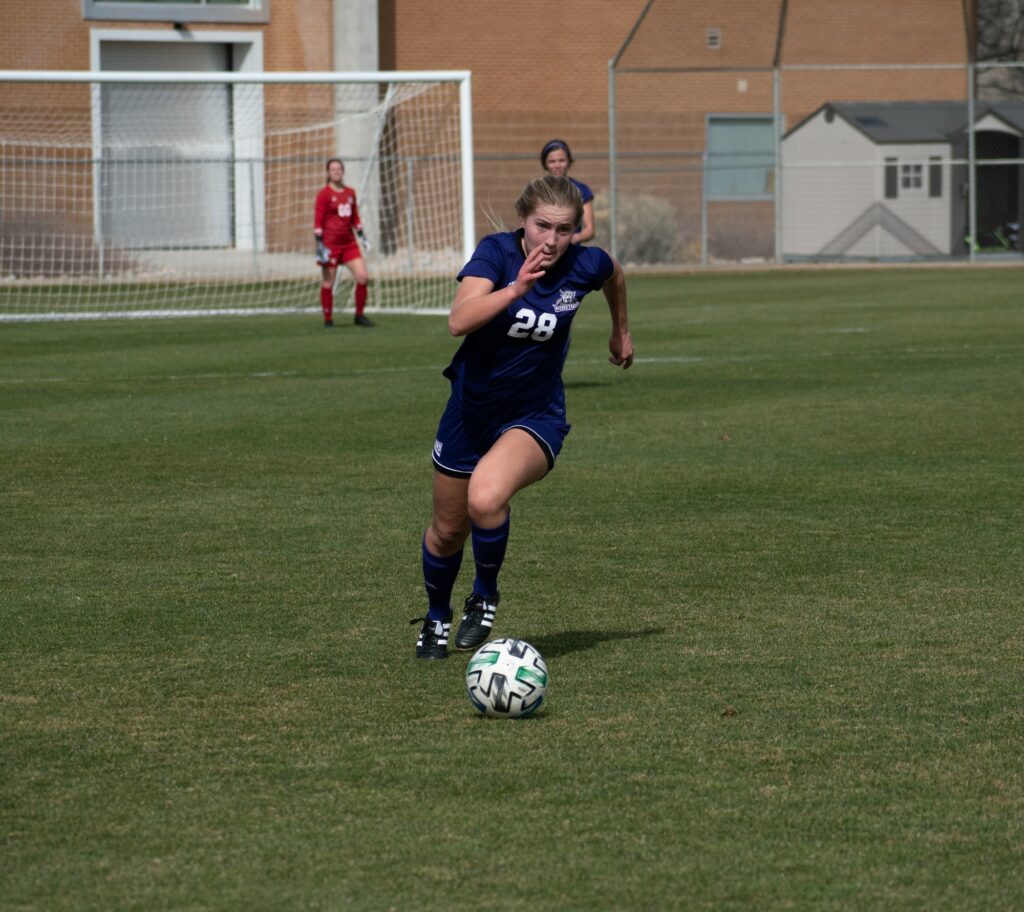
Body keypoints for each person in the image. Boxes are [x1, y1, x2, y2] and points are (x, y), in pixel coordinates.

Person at [411, 175, 634, 660]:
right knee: (448, 530)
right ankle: (436, 617)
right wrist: (515, 290)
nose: (552, 240)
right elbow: (459, 321)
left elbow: (614, 274)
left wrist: (620, 331)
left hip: (535, 416)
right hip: (469, 414)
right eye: (542, 227)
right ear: (523, 221)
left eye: (565, 229)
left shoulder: (584, 262)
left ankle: (485, 594)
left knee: (486, 498)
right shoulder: (496, 254)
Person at [313, 158, 374, 327]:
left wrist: (363, 237)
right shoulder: (324, 195)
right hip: (330, 244)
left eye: (339, 169)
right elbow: (318, 221)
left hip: (349, 244)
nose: (336, 172)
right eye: (333, 169)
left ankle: (359, 316)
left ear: (343, 171)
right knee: (328, 282)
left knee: (362, 277)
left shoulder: (350, 193)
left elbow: (355, 217)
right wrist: (320, 245)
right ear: (328, 173)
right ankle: (328, 319)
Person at [540, 139, 595, 244]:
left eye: (562, 160)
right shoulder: (537, 190)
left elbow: (590, 230)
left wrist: (569, 240)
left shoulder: (581, 190)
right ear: (545, 164)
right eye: (552, 161)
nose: (557, 165)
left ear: (569, 162)